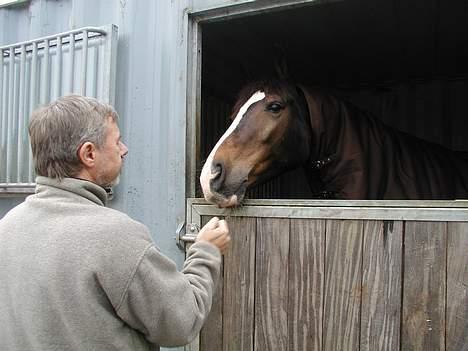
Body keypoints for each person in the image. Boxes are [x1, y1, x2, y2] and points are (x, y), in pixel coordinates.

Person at [0, 95, 231, 350]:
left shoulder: (7, 227)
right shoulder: (115, 236)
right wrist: (205, 251)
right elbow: (181, 322)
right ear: (89, 153)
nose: (124, 149)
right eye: (117, 141)